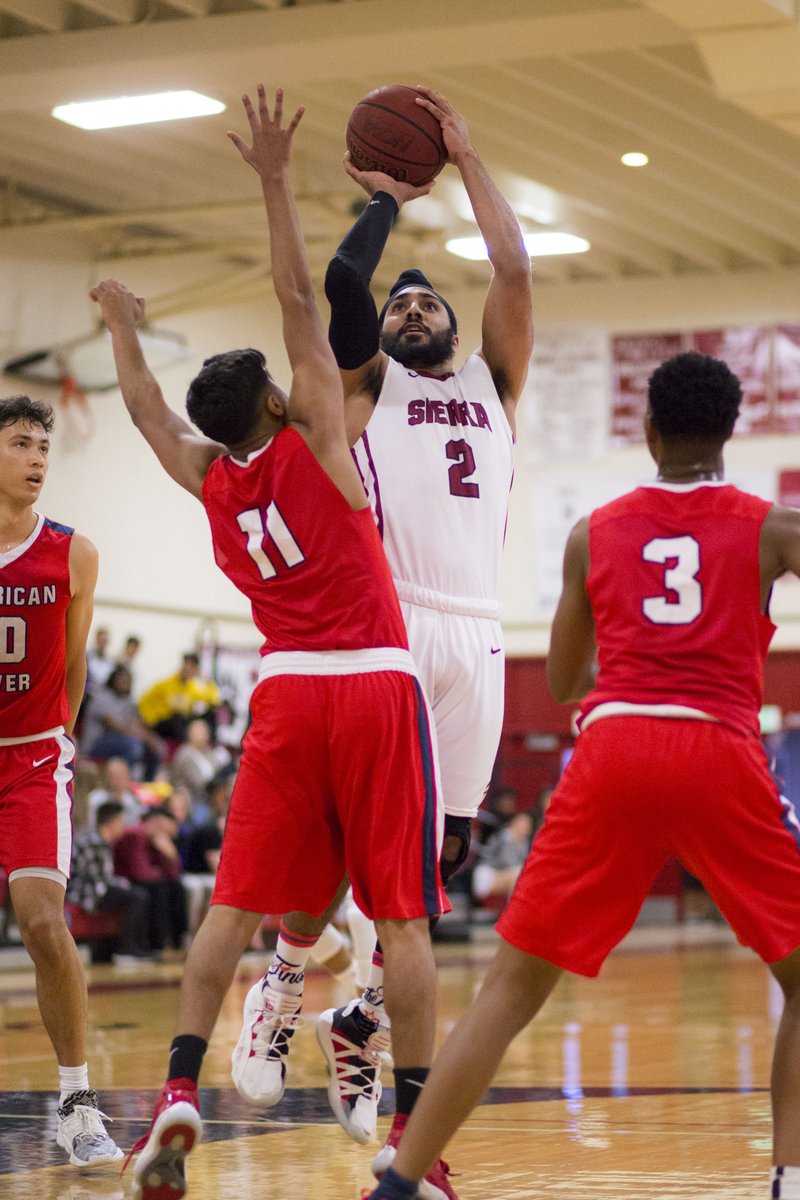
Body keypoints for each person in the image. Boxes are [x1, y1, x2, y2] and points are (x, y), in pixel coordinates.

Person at [90, 83, 448, 1200]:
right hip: (375, 688)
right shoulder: (322, 445)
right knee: (403, 924)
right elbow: (302, 291)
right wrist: (273, 179)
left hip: (285, 690)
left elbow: (148, 417)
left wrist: (118, 325)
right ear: (282, 408)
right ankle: (411, 1144)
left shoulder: (207, 480)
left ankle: (180, 1091)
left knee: (232, 907)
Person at [360, 350, 800, 1200]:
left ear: (649, 430)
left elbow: (564, 683)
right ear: (731, 431)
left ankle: (403, 1183)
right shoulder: (773, 526)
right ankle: (788, 1177)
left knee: (511, 987)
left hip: (614, 749)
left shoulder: (592, 531)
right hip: (718, 749)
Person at [234, 84, 533, 1154]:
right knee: (372, 860)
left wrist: (466, 153)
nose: (411, 309)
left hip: (483, 633)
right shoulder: (365, 390)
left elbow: (513, 268)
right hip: (390, 627)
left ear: (451, 325)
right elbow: (344, 285)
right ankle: (279, 983)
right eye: (402, 306)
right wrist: (388, 199)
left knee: (439, 859)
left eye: (426, 305)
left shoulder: (496, 381)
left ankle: (352, 1012)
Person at [0, 394, 123, 1166]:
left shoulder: (74, 552)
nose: (39, 458)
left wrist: (59, 736)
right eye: (21, 444)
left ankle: (77, 1102)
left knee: (44, 923)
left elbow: (74, 665)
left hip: (33, 755)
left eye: (45, 446)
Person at [66, 800, 152, 961]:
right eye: (121, 822)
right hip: (85, 893)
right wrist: (120, 885)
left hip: (95, 888)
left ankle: (128, 946)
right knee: (138, 896)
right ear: (112, 823)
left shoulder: (102, 841)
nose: (123, 827)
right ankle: (127, 948)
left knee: (135, 892)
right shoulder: (93, 842)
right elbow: (94, 880)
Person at [113, 805, 188, 956]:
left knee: (177, 886)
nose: (171, 831)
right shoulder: (136, 834)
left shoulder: (156, 839)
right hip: (125, 879)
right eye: (169, 826)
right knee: (160, 888)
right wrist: (162, 871)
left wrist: (171, 854)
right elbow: (140, 872)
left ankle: (178, 940)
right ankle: (156, 944)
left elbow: (174, 874)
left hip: (144, 880)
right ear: (157, 822)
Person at [80, 663, 164, 778]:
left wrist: (151, 739)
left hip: (121, 740)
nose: (124, 683)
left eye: (127, 680)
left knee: (156, 748)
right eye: (121, 679)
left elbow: (136, 724)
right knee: (133, 746)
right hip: (96, 743)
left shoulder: (129, 701)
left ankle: (146, 785)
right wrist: (145, 737)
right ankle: (120, 779)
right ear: (113, 679)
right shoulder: (102, 697)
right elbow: (115, 727)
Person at [138, 652, 222, 743]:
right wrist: (148, 720)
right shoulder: (165, 685)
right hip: (160, 723)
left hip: (179, 724)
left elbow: (214, 700)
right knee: (177, 718)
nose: (187, 670)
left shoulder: (193, 688)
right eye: (186, 666)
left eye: (191, 668)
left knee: (207, 716)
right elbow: (143, 702)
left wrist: (206, 679)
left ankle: (210, 745)